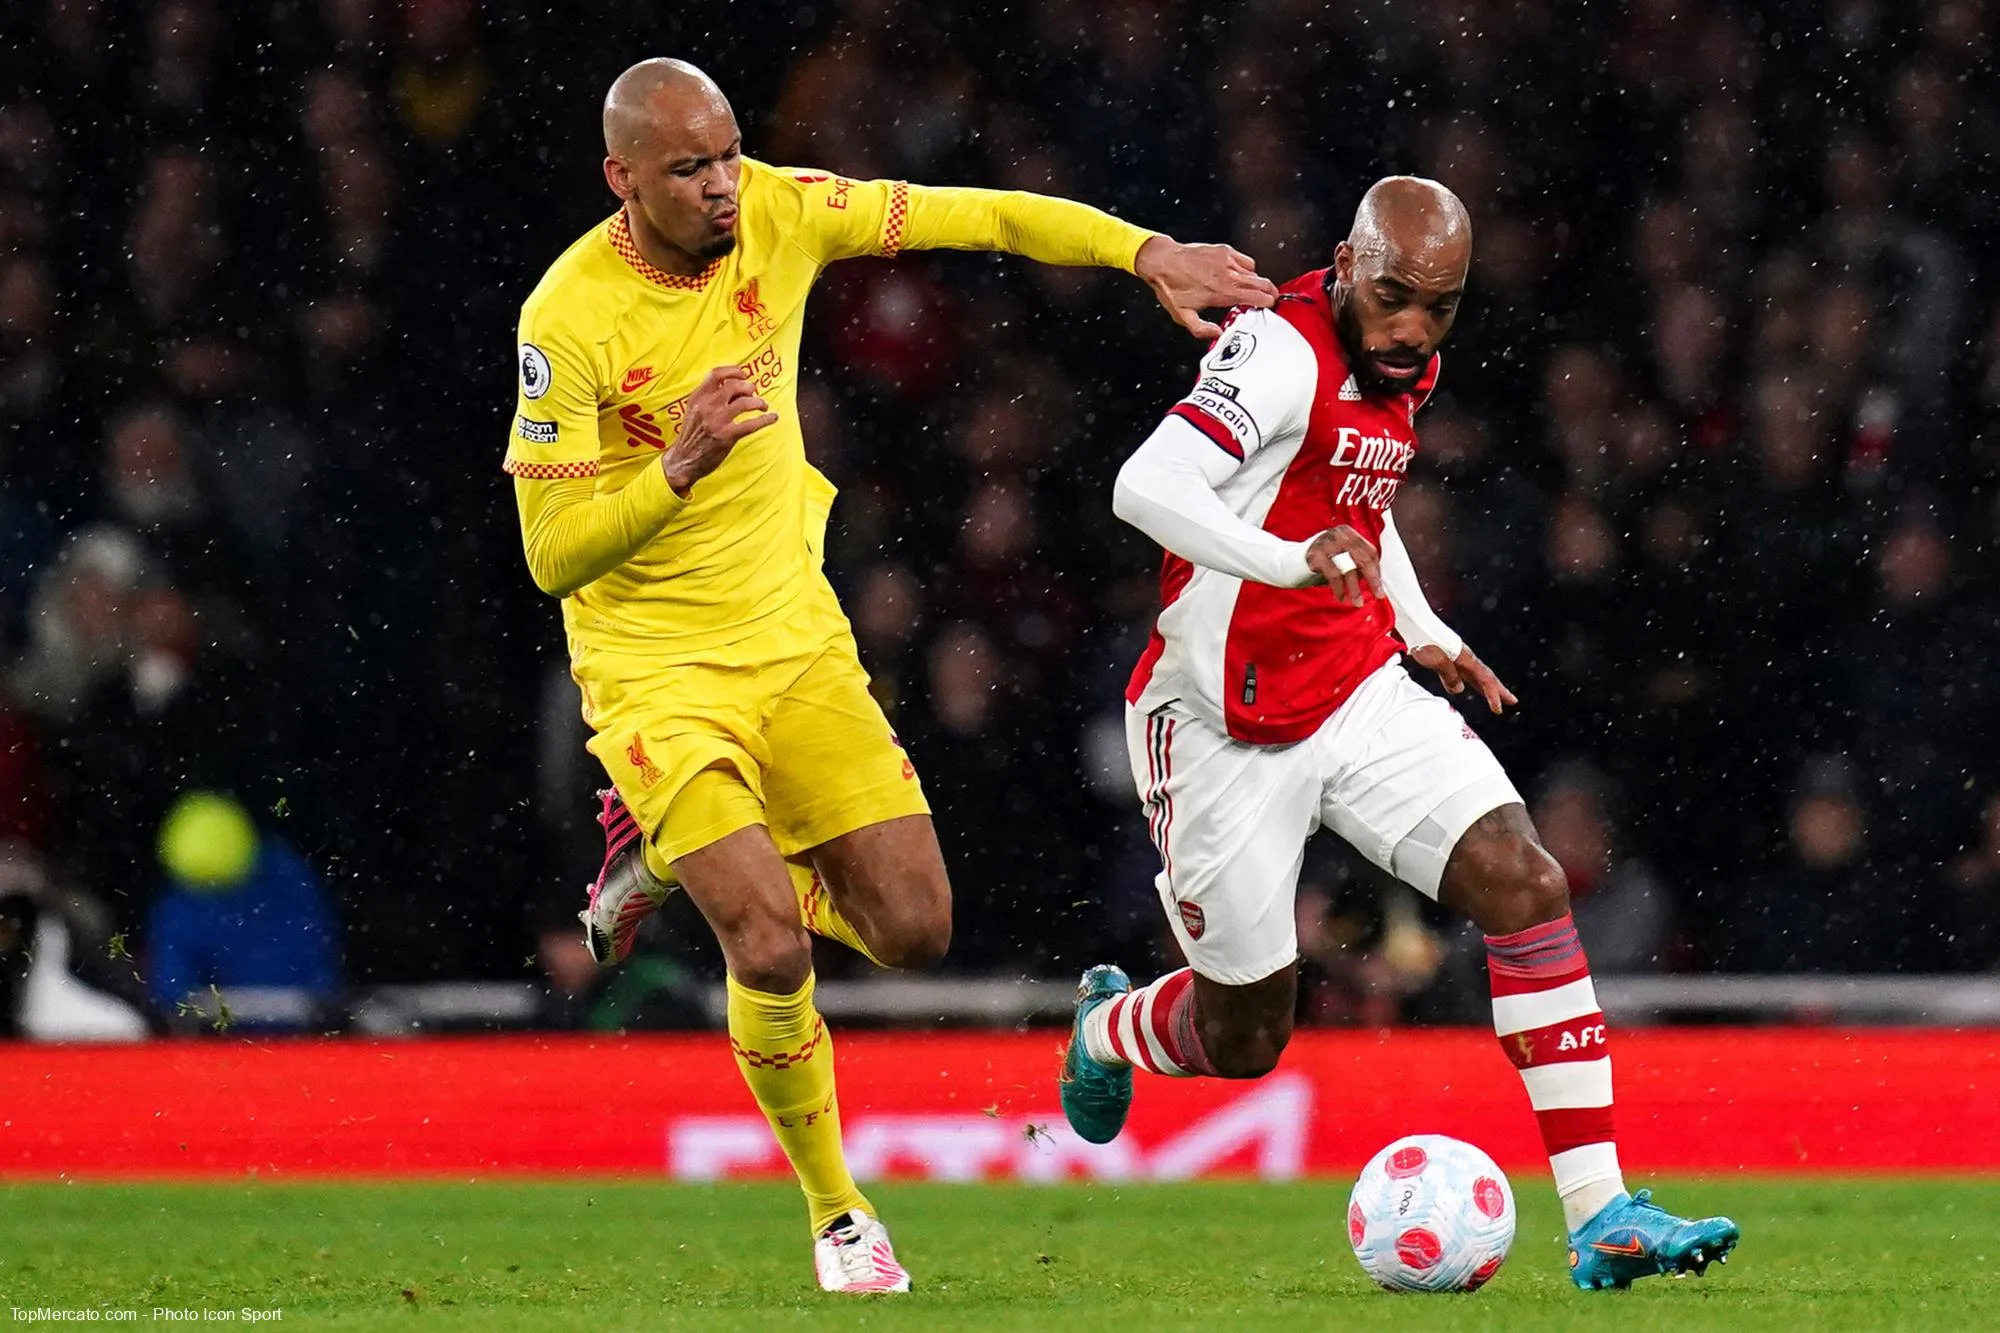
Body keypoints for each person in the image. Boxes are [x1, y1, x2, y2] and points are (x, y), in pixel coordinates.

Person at [503, 58, 1275, 1294]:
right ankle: (838, 1213)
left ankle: (667, 858)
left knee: (915, 929)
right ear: (621, 179)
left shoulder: (783, 209)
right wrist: (678, 464)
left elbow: (982, 213)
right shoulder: (567, 317)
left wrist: (1143, 254)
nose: (720, 185)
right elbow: (548, 555)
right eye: (688, 168)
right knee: (764, 941)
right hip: (656, 670)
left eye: (727, 153)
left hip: (795, 639)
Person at [1059, 177, 1740, 1291]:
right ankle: (1106, 1028)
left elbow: (1355, 505)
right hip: (1217, 722)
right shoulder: (1277, 354)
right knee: (1245, 1038)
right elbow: (1146, 485)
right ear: (1342, 263)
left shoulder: (1403, 361)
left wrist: (1418, 625)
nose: (1413, 328)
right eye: (1392, 298)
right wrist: (1291, 562)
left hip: (1350, 689)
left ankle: (1600, 1213)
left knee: (1523, 879)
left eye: (1440, 306)